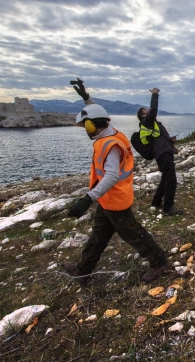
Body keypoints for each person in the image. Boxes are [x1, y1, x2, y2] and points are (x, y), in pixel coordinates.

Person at [64, 78, 170, 285]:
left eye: (85, 126)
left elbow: (112, 175)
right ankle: (83, 270)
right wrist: (86, 98)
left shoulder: (109, 144)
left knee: (133, 233)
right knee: (98, 236)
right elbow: (96, 111)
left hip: (115, 199)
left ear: (90, 125)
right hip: (107, 198)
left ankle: (160, 262)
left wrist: (87, 199)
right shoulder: (112, 133)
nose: (84, 129)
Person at [135, 88, 183, 216]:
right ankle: (168, 208)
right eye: (146, 110)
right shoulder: (147, 122)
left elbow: (157, 138)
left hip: (163, 151)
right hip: (163, 153)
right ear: (144, 116)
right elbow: (154, 110)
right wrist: (155, 95)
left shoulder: (153, 124)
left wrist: (170, 140)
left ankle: (156, 202)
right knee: (171, 180)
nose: (149, 110)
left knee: (165, 178)